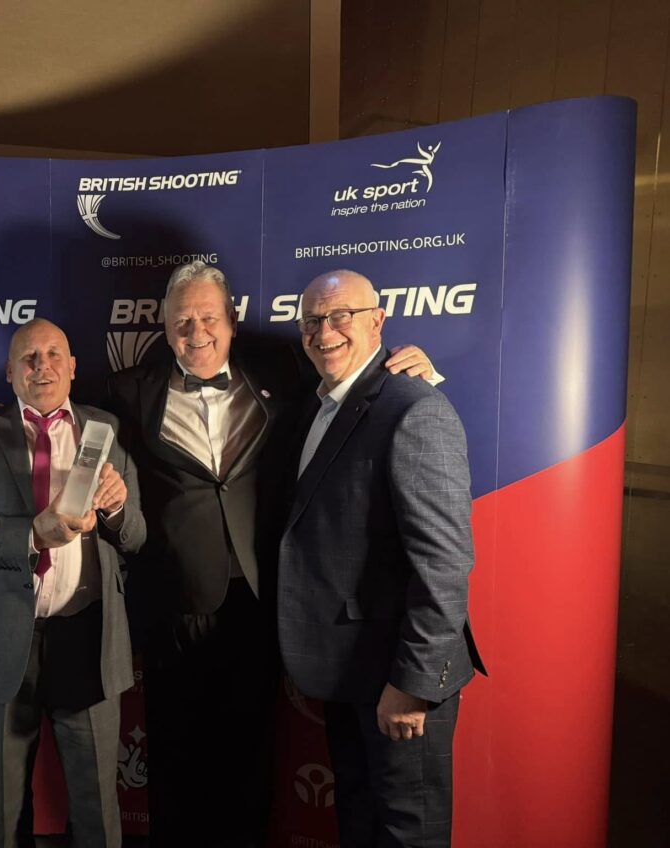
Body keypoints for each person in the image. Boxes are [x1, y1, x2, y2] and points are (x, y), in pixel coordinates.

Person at [102, 261, 435, 847]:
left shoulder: (285, 371)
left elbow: (356, 382)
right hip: (174, 604)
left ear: (232, 320)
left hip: (260, 599)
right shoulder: (131, 390)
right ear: (162, 325)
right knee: (176, 754)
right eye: (182, 321)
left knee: (254, 754)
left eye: (208, 317)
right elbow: (54, 406)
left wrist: (417, 371)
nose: (196, 331)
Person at [277, 269, 484, 848]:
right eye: (313, 321)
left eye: (341, 315)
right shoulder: (320, 407)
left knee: (406, 833)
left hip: (400, 678)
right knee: (362, 823)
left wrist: (413, 683)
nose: (325, 332)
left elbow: (443, 562)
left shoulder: (414, 408)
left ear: (377, 321)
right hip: (351, 671)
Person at [0, 318, 146, 848]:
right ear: (9, 372)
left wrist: (116, 508)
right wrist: (31, 535)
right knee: (4, 811)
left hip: (86, 638)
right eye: (28, 357)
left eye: (53, 354)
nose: (41, 365)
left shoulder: (107, 429)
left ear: (72, 367)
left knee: (97, 806)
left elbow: (136, 538)